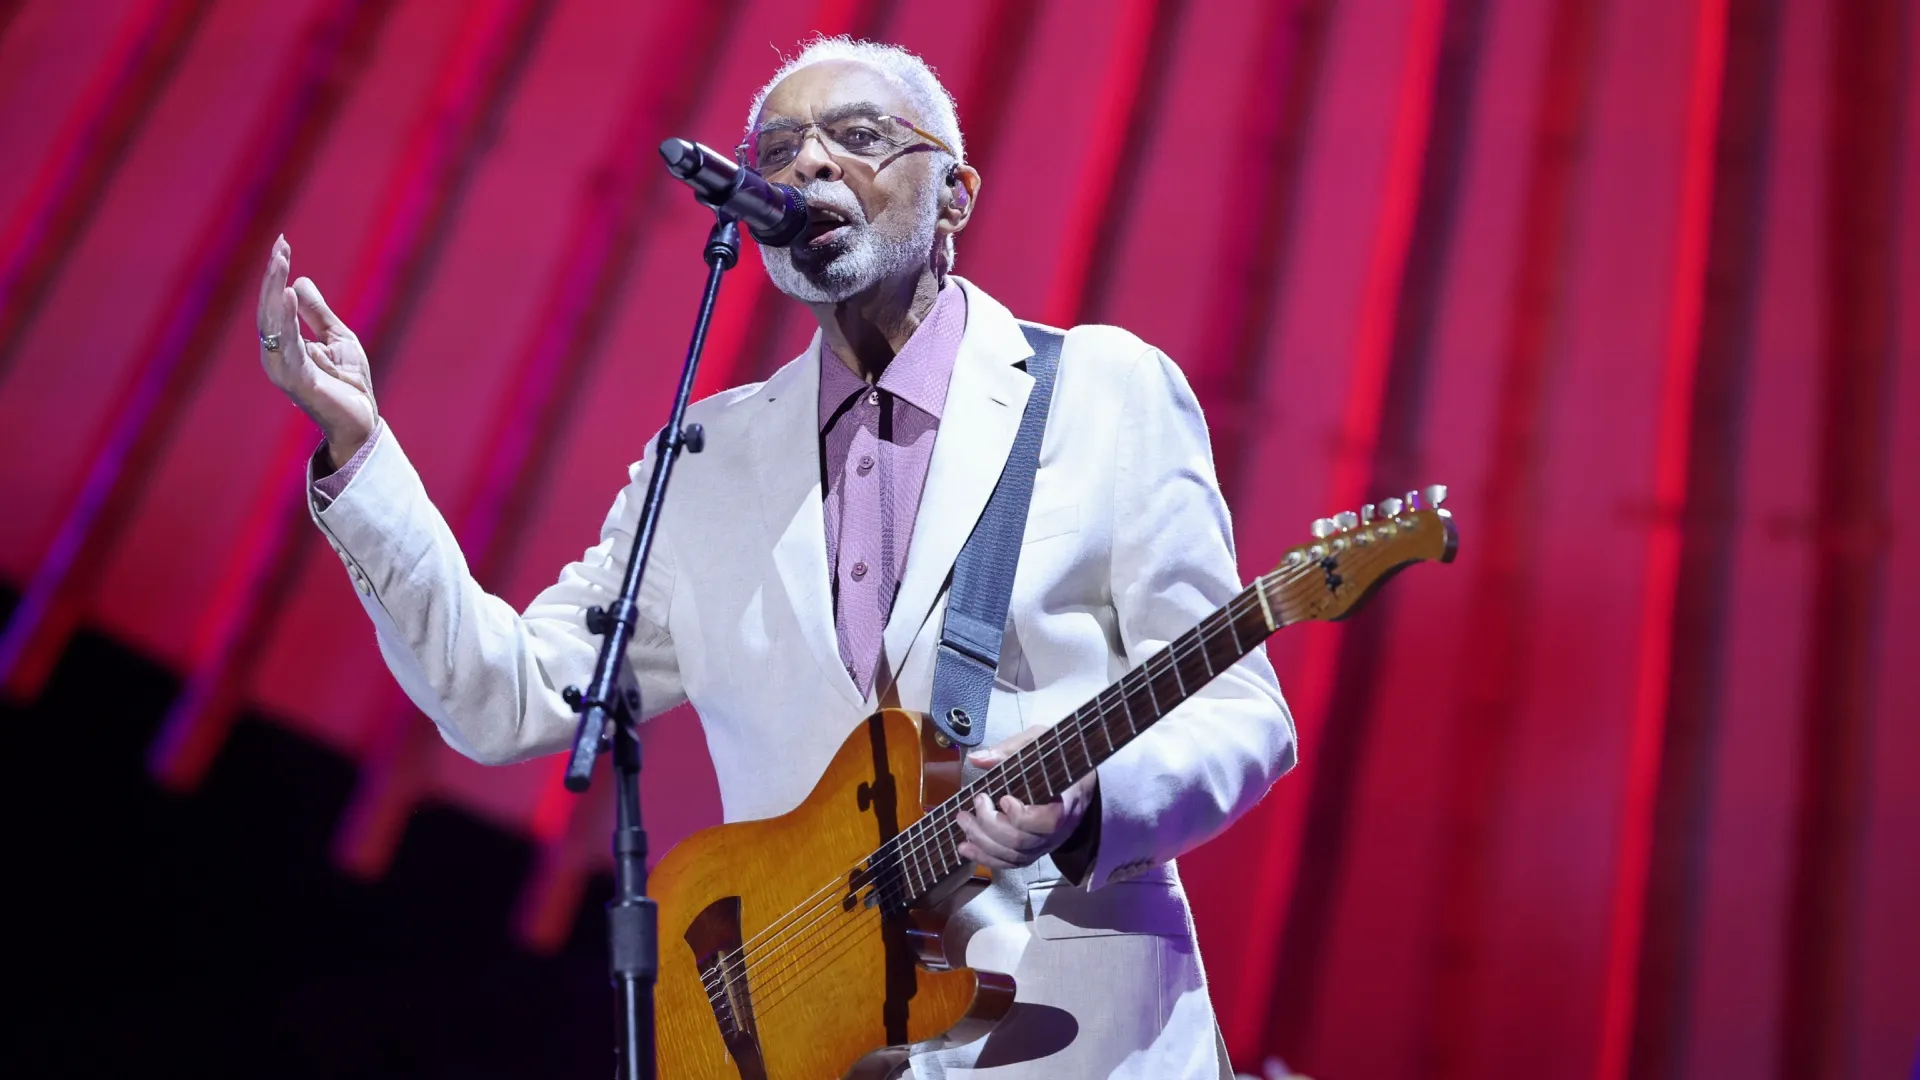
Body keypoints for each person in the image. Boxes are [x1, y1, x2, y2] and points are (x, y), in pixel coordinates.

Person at [256, 35, 1295, 1080]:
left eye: (858, 136)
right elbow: (509, 697)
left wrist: (1093, 802)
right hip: (805, 1046)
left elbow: (1241, 711)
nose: (809, 165)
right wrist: (361, 452)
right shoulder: (705, 461)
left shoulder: (1103, 392)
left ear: (956, 197)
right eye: (781, 148)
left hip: (1079, 1045)